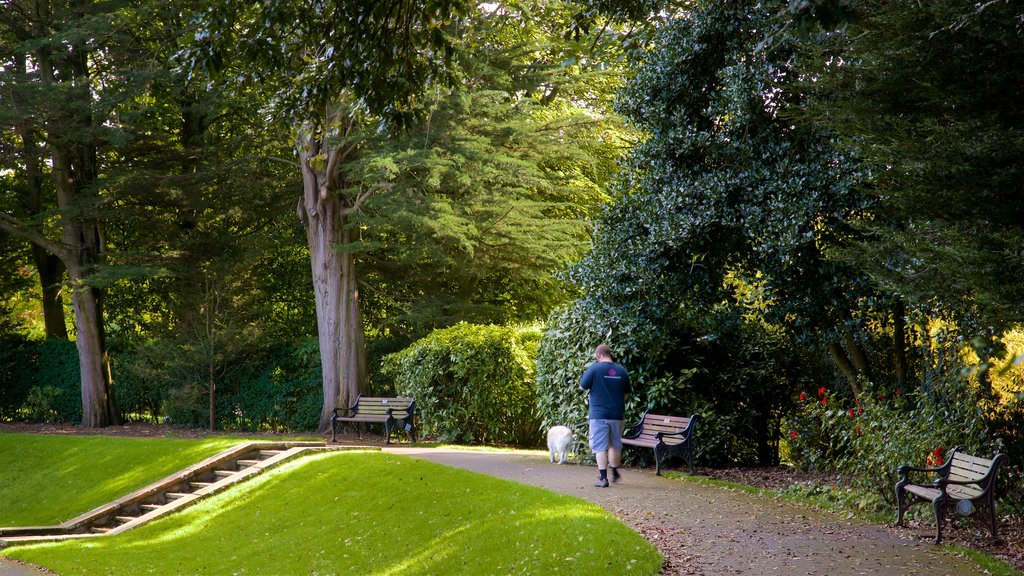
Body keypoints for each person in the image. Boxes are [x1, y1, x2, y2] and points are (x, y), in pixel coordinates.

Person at [579, 343, 631, 488]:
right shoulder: (621, 370)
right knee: (615, 444)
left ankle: (603, 478)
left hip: (599, 414)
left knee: (600, 446)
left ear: (598, 355)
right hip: (617, 414)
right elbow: (626, 393)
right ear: (610, 354)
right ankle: (614, 472)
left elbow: (582, 386)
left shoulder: (594, 368)